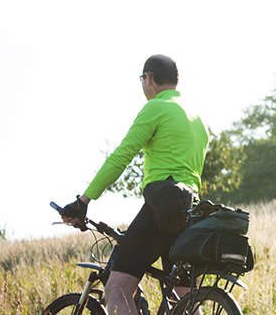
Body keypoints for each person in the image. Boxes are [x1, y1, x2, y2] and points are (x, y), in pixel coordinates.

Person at [60, 54, 209, 315]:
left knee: (116, 289)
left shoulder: (156, 108)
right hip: (189, 211)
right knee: (184, 299)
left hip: (160, 205)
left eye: (142, 79)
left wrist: (83, 200)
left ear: (148, 78)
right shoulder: (197, 118)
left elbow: (121, 156)